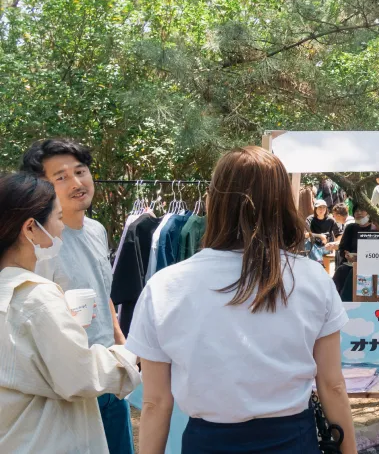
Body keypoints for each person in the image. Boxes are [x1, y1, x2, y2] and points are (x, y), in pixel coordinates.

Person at [126, 147, 356, 454]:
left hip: (207, 443)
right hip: (292, 440)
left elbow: (155, 402)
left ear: (215, 201)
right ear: (282, 204)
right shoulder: (313, 279)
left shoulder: (165, 286)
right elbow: (332, 386)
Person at [0, 173, 140, 453]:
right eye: (58, 218)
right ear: (30, 228)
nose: (62, 229)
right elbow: (80, 376)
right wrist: (131, 356)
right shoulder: (37, 296)